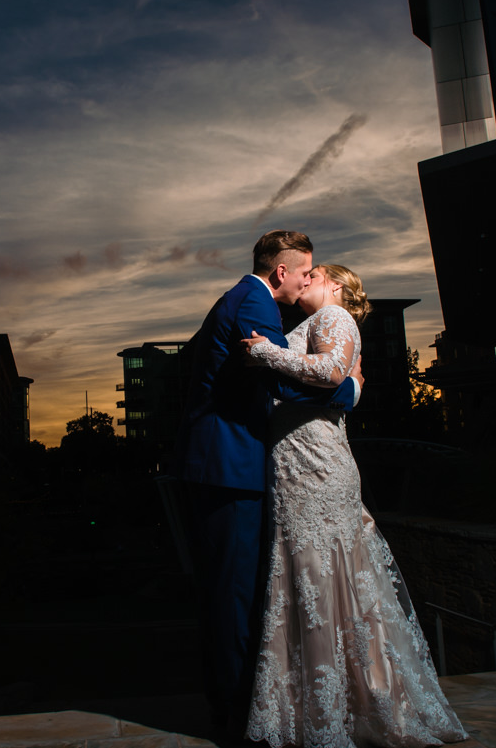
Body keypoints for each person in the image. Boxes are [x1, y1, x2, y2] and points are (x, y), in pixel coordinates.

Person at [241, 264, 467, 748]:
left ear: (337, 286)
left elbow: (330, 373)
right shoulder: (313, 323)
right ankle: (326, 708)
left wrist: (265, 354)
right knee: (309, 581)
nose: (307, 277)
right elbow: (340, 387)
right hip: (297, 465)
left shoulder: (334, 316)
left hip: (316, 469)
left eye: (316, 273)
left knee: (322, 579)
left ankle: (338, 713)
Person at [176, 231, 363, 740]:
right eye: (305, 271)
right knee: (232, 595)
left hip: (234, 465)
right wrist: (350, 389)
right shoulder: (253, 303)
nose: (309, 279)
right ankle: (236, 716)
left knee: (240, 592)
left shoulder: (246, 298)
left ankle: (241, 705)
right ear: (282, 272)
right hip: (229, 467)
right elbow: (281, 383)